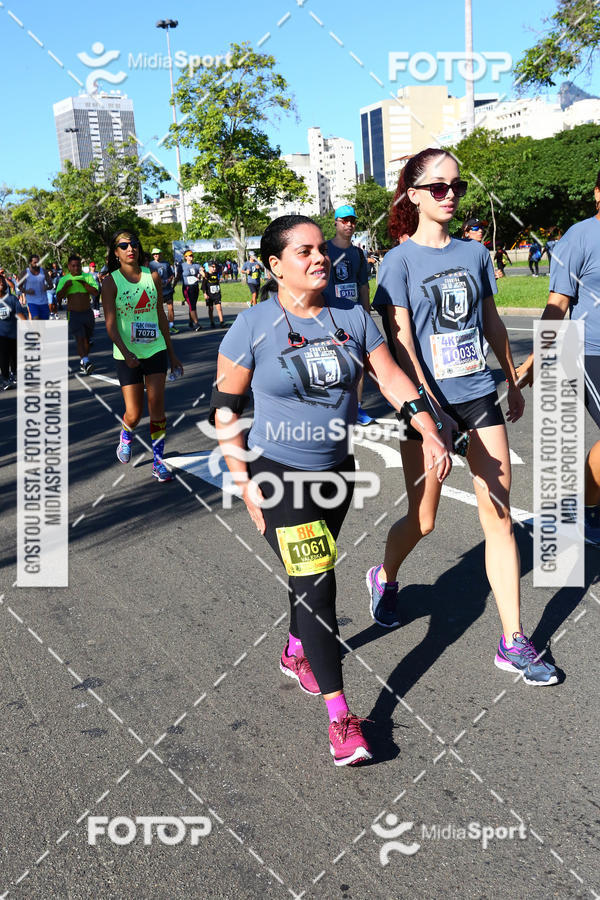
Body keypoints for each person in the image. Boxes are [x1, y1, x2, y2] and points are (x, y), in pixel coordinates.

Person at [212, 214, 451, 765]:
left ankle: (297, 649)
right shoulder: (250, 326)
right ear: (274, 266)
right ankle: (342, 719)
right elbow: (224, 407)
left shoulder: (353, 317)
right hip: (279, 476)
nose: (320, 258)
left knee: (309, 576)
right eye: (304, 251)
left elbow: (391, 378)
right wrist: (244, 481)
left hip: (337, 474)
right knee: (319, 584)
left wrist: (428, 428)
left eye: (321, 248)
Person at [370, 147, 558, 686]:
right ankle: (384, 576)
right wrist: (429, 412)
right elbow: (401, 342)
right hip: (428, 408)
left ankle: (512, 640)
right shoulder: (398, 261)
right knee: (424, 521)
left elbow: (492, 320)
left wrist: (511, 380)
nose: (450, 195)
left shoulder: (475, 254)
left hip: (479, 394)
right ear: (413, 194)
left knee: (499, 517)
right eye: (438, 187)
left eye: (456, 187)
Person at [517, 174, 600, 546]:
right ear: (597, 193)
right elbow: (558, 305)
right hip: (589, 351)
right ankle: (589, 510)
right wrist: (538, 354)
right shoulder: (578, 238)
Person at [101, 229, 183, 483]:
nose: (130, 249)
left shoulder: (153, 276)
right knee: (134, 414)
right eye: (123, 245)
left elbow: (159, 315)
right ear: (116, 253)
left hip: (155, 349)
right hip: (126, 354)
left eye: (133, 244)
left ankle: (159, 462)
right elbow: (111, 326)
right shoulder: (111, 282)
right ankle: (126, 434)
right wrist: (126, 354)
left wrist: (172, 354)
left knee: (157, 409)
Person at [323, 204, 373, 426]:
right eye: (344, 220)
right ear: (335, 222)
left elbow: (363, 286)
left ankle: (358, 409)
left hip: (353, 314)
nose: (349, 224)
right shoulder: (323, 249)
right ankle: (329, 408)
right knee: (331, 363)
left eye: (352, 221)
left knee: (358, 362)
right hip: (327, 314)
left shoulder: (358, 253)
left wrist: (366, 315)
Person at [55, 254, 98, 375]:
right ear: (69, 266)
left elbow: (95, 292)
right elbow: (58, 298)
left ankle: (83, 361)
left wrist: (84, 284)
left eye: (78, 265)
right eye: (73, 266)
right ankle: (86, 361)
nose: (76, 268)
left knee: (87, 339)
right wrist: (65, 287)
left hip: (87, 313)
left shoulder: (87, 277)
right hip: (73, 314)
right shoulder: (64, 280)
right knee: (80, 338)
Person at [0, 271, 27, 389]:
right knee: (3, 356)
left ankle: (15, 374)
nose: (1, 283)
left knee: (14, 356)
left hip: (14, 334)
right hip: (1, 336)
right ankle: (5, 378)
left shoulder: (12, 299)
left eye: (2, 281)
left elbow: (21, 315)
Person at [150, 248, 178, 335]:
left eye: (157, 254)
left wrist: (167, 281)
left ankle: (171, 325)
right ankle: (159, 326)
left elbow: (171, 275)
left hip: (168, 290)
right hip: (156, 291)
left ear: (160, 254)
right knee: (158, 309)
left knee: (170, 307)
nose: (156, 255)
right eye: (154, 254)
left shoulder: (166, 264)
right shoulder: (150, 264)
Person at [174, 249, 202, 331]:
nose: (191, 257)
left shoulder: (196, 265)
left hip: (195, 287)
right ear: (185, 257)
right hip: (187, 288)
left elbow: (201, 271)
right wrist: (173, 286)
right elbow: (178, 276)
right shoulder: (182, 266)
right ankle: (196, 323)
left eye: (192, 255)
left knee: (193, 305)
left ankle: (190, 322)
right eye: (189, 256)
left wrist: (203, 274)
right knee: (192, 306)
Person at [19, 254, 51, 320]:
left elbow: (51, 285)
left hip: (43, 301)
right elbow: (19, 287)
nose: (37, 264)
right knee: (36, 319)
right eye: (35, 262)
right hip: (32, 301)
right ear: (30, 262)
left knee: (43, 322)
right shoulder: (25, 272)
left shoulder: (44, 271)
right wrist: (27, 291)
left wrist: (47, 287)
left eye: (38, 262)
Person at [201, 260, 227, 328]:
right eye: (212, 267)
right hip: (209, 294)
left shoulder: (216, 273)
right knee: (211, 309)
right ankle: (212, 322)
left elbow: (221, 267)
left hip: (217, 294)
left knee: (219, 308)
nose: (214, 268)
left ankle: (222, 322)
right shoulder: (206, 275)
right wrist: (205, 294)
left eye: (215, 267)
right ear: (209, 267)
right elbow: (203, 286)